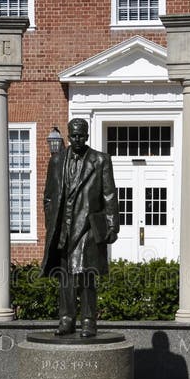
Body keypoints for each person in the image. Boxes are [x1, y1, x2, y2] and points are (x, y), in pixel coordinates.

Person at [41, 118, 120, 338]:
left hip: (87, 227)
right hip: (63, 228)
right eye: (73, 136)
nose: (77, 140)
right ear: (68, 135)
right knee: (65, 278)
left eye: (81, 136)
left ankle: (88, 321)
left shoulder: (100, 160)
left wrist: (113, 226)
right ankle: (66, 320)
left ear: (86, 136)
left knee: (87, 278)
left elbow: (109, 194)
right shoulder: (57, 161)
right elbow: (48, 196)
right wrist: (51, 222)